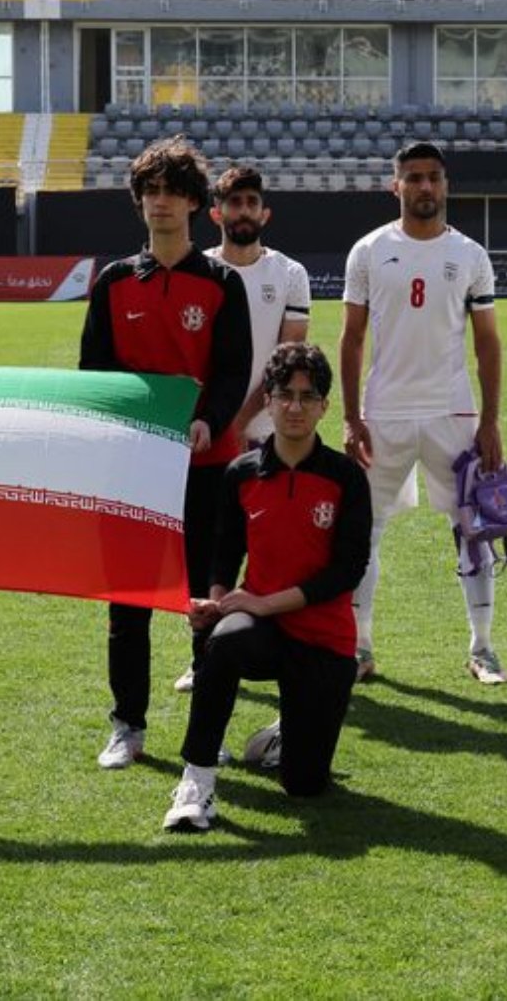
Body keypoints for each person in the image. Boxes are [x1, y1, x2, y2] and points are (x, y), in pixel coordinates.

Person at [79, 135, 253, 769]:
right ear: (139, 202)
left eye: (173, 192)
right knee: (129, 603)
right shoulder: (115, 282)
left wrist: (208, 420)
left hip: (207, 468)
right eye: (150, 191)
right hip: (133, 467)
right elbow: (93, 371)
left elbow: (235, 372)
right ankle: (127, 724)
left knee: (205, 603)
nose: (161, 202)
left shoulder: (221, 283)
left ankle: (207, 733)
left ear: (192, 203)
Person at [165, 343, 371, 830]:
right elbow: (224, 555)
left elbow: (347, 571)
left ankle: (281, 738)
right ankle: (196, 781)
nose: (295, 407)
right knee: (222, 641)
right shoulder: (242, 473)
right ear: (269, 402)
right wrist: (214, 605)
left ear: (324, 406)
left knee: (304, 786)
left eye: (307, 396)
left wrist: (263, 601)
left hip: (326, 641)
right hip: (262, 631)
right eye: (284, 395)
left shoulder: (346, 478)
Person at [340, 141, 507, 684]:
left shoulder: (470, 254)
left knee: (472, 527)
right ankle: (360, 648)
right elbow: (351, 338)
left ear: (446, 184)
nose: (425, 187)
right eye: (413, 177)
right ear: (396, 186)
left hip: (451, 412)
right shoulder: (367, 250)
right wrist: (350, 416)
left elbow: (487, 344)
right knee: (365, 531)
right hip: (383, 411)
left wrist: (490, 419)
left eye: (433, 177)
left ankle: (482, 649)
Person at [173, 165, 312, 693]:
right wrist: (215, 422)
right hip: (208, 435)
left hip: (268, 435)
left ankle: (279, 653)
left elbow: (286, 359)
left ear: (265, 212)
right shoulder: (198, 270)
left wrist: (243, 419)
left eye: (252, 203)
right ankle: (203, 654)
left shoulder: (290, 274)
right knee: (208, 551)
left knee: (276, 550)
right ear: (216, 213)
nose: (244, 212)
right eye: (234, 203)